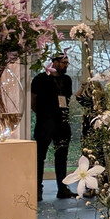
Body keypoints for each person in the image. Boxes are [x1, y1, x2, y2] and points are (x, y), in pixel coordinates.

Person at [30, 52, 75, 201]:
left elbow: (67, 99)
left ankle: (62, 188)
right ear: (54, 62)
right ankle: (37, 189)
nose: (66, 65)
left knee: (61, 157)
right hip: (45, 123)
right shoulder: (40, 79)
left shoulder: (67, 80)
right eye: (63, 62)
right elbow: (33, 101)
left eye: (67, 63)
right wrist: (44, 115)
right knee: (39, 157)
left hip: (62, 122)